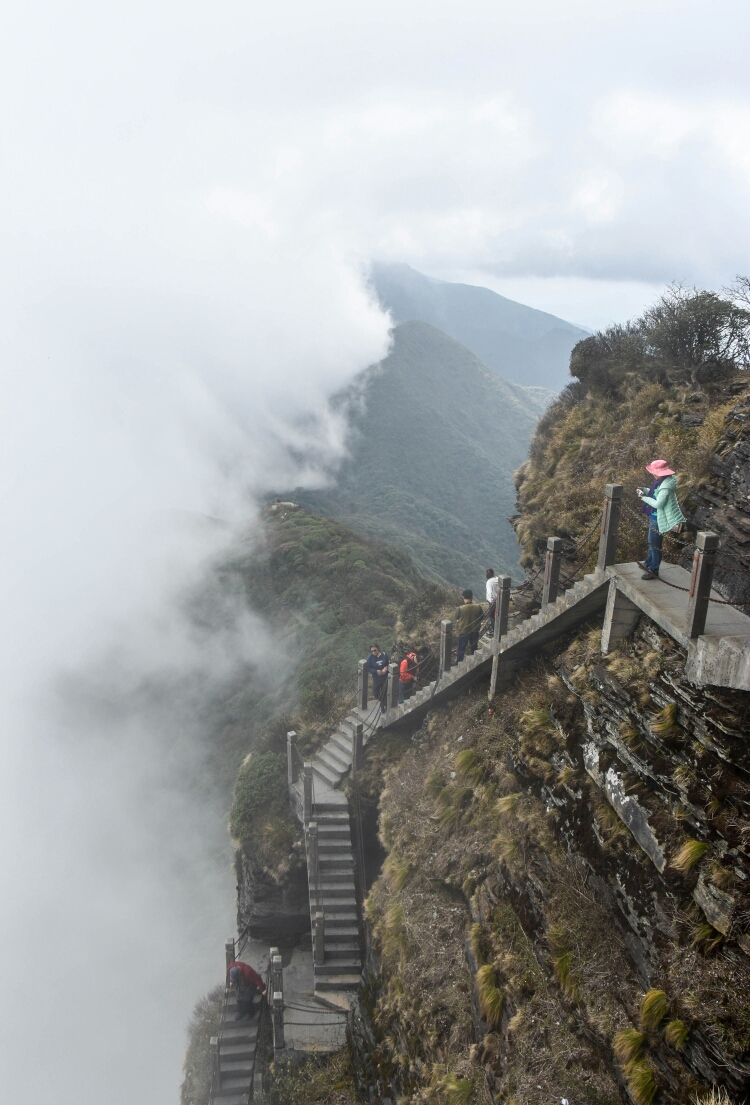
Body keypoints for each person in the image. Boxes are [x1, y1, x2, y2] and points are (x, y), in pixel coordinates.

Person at [636, 459, 686, 580]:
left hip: (658, 518)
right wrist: (645, 490)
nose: (653, 474)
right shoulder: (662, 482)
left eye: (654, 472)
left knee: (655, 546)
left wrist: (643, 498)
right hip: (654, 517)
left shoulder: (665, 487)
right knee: (651, 543)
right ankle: (648, 563)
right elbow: (655, 494)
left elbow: (658, 504)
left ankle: (653, 570)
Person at [455, 589, 484, 662]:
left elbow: (456, 618)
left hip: (464, 632)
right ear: (472, 597)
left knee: (461, 649)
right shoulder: (478, 607)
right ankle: (475, 662)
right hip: (475, 630)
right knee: (474, 648)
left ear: (463, 597)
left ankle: (458, 663)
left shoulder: (460, 609)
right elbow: (482, 617)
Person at [366, 644, 389, 709]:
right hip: (376, 678)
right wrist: (376, 671)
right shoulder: (370, 658)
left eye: (375, 650)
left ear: (378, 649)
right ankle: (384, 702)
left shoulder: (384, 655)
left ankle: (382, 706)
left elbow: (388, 663)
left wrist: (386, 668)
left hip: (385, 677)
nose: (373, 652)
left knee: (384, 692)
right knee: (375, 692)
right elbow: (368, 667)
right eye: (372, 651)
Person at [485, 569, 500, 635]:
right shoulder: (498, 579)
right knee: (498, 615)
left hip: (493, 602)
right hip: (500, 600)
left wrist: (491, 601)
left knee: (492, 616)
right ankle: (498, 629)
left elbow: (489, 592)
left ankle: (493, 631)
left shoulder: (489, 582)